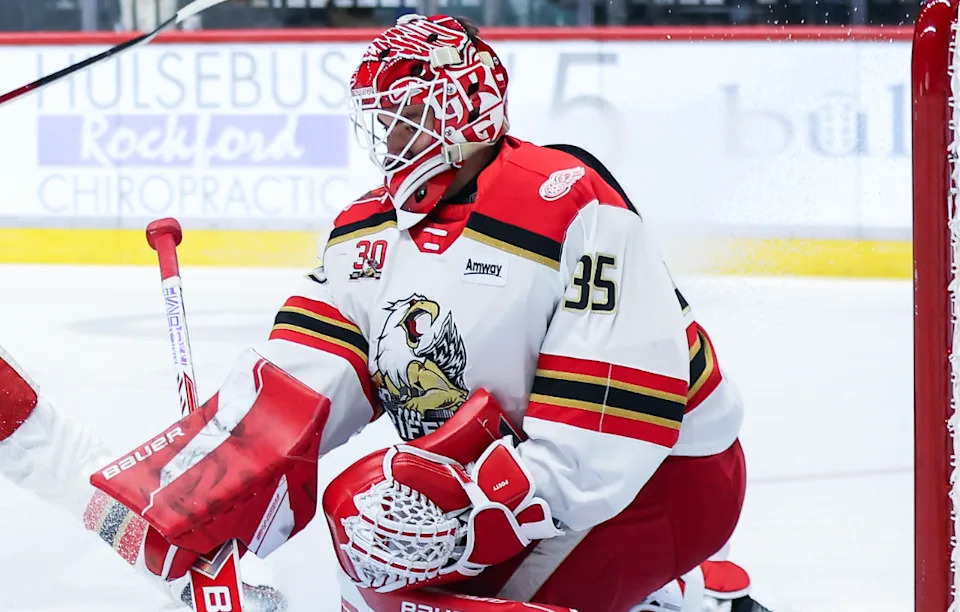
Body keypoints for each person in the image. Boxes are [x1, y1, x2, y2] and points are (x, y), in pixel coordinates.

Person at [0, 13, 770, 612]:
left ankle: (684, 592)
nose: (387, 136)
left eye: (403, 113)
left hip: (664, 481)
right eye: (378, 115)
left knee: (408, 582)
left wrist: (478, 512)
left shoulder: (569, 208)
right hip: (492, 461)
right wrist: (206, 490)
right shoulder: (369, 230)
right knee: (366, 534)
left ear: (465, 111)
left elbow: (612, 426)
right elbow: (297, 383)